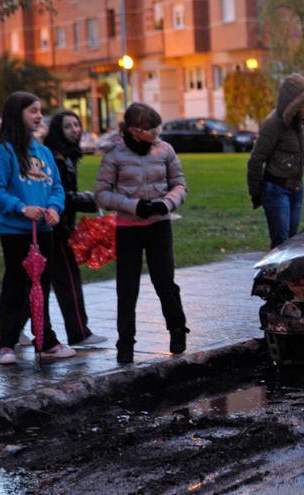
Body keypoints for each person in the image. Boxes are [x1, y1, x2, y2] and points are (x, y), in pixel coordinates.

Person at [0, 91, 77, 364]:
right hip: (16, 233)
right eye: (33, 111)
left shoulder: (44, 151)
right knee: (16, 285)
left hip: (44, 232)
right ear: (17, 114)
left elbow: (56, 188)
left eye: (40, 111)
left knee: (41, 287)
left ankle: (45, 339)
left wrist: (54, 210)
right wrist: (21, 208)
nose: (39, 116)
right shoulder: (5, 151)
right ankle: (6, 344)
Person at [94, 103, 188, 364]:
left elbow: (180, 184)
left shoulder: (165, 149)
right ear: (134, 131)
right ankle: (125, 344)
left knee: (164, 281)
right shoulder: (115, 155)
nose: (157, 132)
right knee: (127, 288)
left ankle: (178, 329)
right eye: (150, 129)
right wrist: (134, 206)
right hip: (128, 229)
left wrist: (166, 203)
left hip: (159, 225)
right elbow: (101, 194)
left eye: (158, 126)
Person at [42, 110, 108, 347]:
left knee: (41, 281)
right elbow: (60, 196)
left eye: (77, 124)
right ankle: (79, 332)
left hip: (56, 225)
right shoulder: (57, 158)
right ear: (58, 131)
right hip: (55, 228)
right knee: (67, 279)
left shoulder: (66, 155)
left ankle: (20, 332)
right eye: (68, 126)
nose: (75, 130)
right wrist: (91, 201)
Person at [247, 73, 304, 249]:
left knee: (292, 240)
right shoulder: (273, 125)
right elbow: (255, 161)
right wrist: (257, 194)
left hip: (296, 189)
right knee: (281, 243)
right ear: (292, 105)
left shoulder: (297, 124)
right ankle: (273, 275)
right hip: (276, 190)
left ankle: (286, 276)